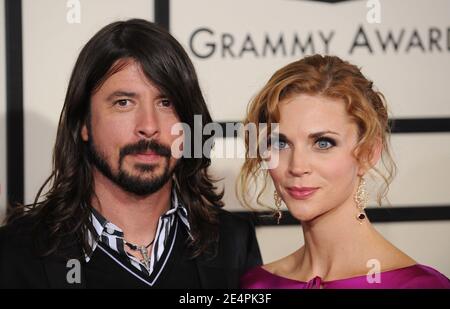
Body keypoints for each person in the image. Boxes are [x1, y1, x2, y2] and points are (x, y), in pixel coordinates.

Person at [0, 19, 261, 288]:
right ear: (84, 124)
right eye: (124, 103)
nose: (148, 126)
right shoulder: (16, 253)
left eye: (165, 103)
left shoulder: (233, 243)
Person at [238, 55, 450, 289]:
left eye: (323, 143)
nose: (297, 167)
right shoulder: (256, 284)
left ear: (368, 153)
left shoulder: (419, 286)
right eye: (280, 143)